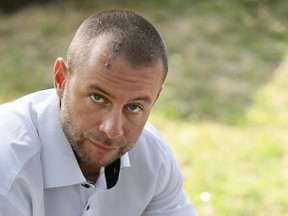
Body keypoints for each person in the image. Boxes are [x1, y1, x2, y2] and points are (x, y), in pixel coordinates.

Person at [0, 9, 196, 216]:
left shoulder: (153, 158)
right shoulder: (8, 170)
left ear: (154, 100)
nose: (112, 129)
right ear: (61, 79)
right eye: (98, 98)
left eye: (133, 107)